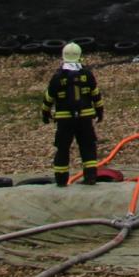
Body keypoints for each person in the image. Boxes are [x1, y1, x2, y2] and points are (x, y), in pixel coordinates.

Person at [41, 41, 104, 186]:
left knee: (63, 148)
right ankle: (90, 177)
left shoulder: (58, 77)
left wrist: (45, 113)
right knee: (88, 146)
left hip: (65, 119)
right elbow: (96, 95)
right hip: (85, 118)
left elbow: (49, 97)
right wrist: (100, 112)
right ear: (80, 56)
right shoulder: (87, 74)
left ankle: (61, 180)